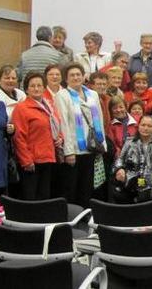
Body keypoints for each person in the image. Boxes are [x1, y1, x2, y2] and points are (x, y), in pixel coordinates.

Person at [55, 63, 107, 206]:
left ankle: (84, 215)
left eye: (78, 74)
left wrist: (102, 144)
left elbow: (100, 120)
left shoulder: (93, 94)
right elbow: (63, 124)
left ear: (84, 76)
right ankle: (72, 215)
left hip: (91, 147)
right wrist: (68, 151)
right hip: (75, 150)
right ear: (66, 79)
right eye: (72, 75)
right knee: (72, 186)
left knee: (88, 186)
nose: (76, 77)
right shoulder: (62, 95)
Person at [113, 115, 152, 204]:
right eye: (143, 125)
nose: (145, 128)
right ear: (138, 126)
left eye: (149, 126)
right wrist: (119, 169)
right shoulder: (129, 142)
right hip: (130, 181)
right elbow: (120, 159)